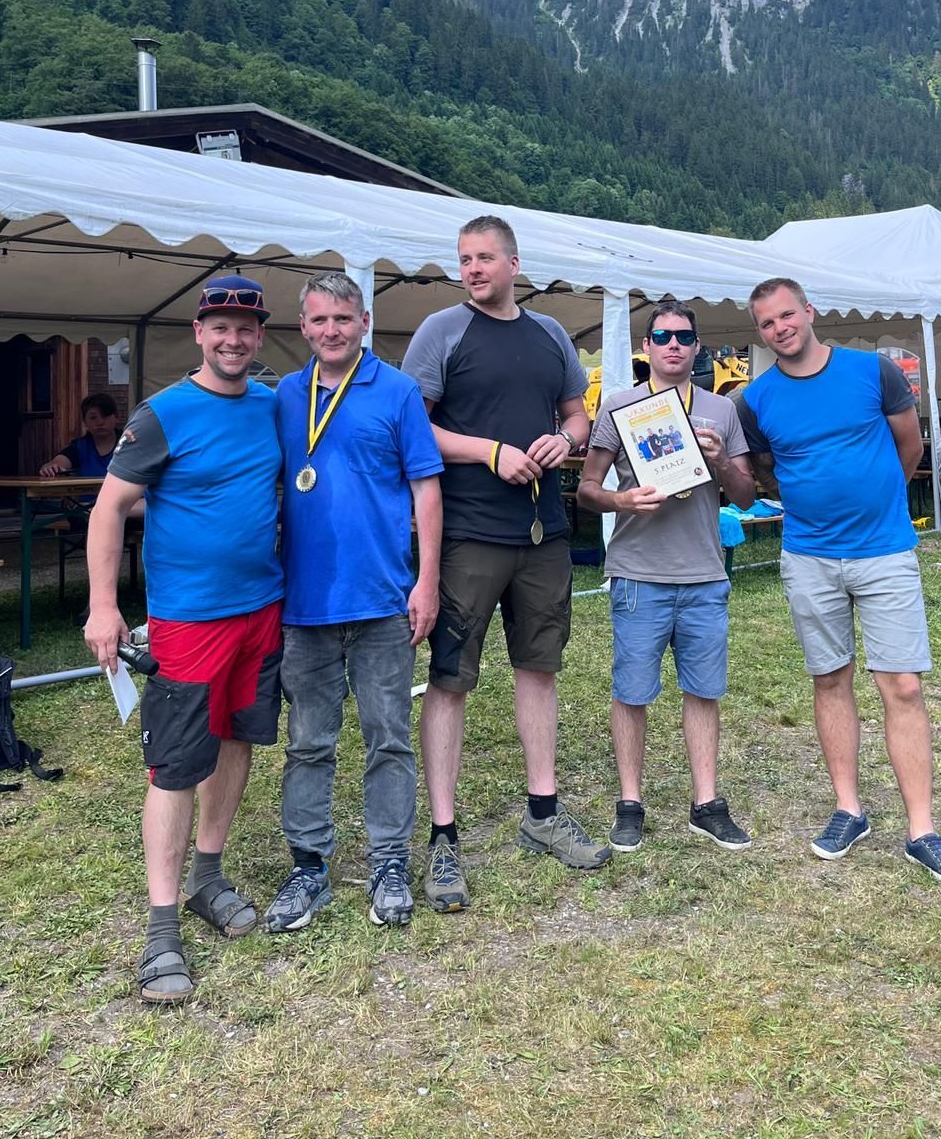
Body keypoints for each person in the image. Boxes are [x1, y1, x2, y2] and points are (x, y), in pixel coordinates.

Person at [84, 275, 285, 1005]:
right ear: (199, 333)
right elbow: (109, 509)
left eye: (246, 328)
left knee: (236, 741)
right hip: (189, 620)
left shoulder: (271, 406)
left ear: (259, 336)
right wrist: (103, 607)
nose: (233, 339)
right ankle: (162, 927)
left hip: (261, 611)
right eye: (219, 327)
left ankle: (208, 876)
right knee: (173, 767)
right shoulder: (162, 414)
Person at [736, 277, 941, 887]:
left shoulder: (874, 372)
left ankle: (922, 830)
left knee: (903, 685)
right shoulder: (755, 400)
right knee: (830, 678)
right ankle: (849, 809)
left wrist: (877, 501)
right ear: (759, 332)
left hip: (884, 550)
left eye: (787, 315)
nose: (780, 328)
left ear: (809, 311)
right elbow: (764, 471)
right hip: (809, 556)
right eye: (767, 323)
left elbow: (909, 446)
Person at [403, 214, 610, 914]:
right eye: (464, 258)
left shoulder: (550, 334)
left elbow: (577, 414)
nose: (472, 269)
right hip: (468, 532)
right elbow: (413, 426)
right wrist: (488, 451)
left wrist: (563, 439)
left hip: (544, 533)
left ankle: (542, 813)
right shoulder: (441, 332)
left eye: (484, 257)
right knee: (449, 679)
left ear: (514, 265)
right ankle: (443, 836)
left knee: (539, 669)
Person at [265, 273, 444, 933]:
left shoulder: (398, 391)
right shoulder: (286, 396)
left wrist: (426, 581)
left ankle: (389, 861)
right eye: (319, 320)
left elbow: (427, 490)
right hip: (305, 602)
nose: (331, 330)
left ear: (364, 322)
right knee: (307, 741)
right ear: (303, 327)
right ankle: (308, 865)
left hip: (381, 598)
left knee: (388, 737)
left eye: (343, 318)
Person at [577, 300, 756, 853]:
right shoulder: (621, 406)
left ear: (697, 346)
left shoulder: (721, 410)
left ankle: (707, 804)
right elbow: (587, 488)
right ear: (647, 347)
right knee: (632, 692)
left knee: (703, 691)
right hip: (638, 574)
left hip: (703, 573)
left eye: (682, 336)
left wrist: (721, 462)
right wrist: (621, 501)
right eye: (662, 336)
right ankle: (630, 804)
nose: (673, 344)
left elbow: (746, 495)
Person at [39, 392, 122, 479]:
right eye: (93, 417)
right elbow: (59, 462)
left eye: (105, 416)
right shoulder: (79, 447)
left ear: (116, 417)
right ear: (85, 422)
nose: (100, 422)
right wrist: (51, 467)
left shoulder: (128, 445)